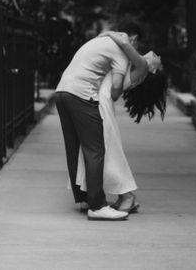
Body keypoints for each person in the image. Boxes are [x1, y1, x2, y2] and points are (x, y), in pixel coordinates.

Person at [55, 23, 141, 221]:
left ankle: (83, 198)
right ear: (132, 39)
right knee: (95, 149)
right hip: (81, 95)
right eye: (137, 43)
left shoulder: (99, 41)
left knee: (73, 147)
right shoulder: (120, 51)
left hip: (62, 91)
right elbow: (116, 88)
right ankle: (97, 206)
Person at [76, 31, 167, 212]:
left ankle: (127, 196)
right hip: (101, 102)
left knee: (108, 151)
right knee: (107, 150)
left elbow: (125, 44)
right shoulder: (137, 66)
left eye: (159, 59)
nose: (158, 55)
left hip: (101, 103)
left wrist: (109, 33)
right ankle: (122, 196)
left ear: (153, 69)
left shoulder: (141, 64)